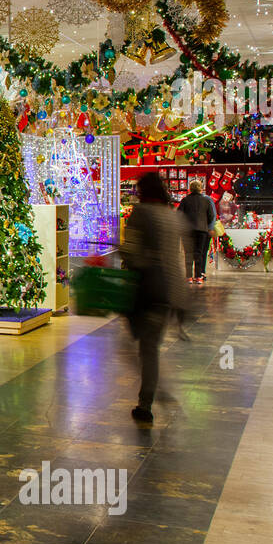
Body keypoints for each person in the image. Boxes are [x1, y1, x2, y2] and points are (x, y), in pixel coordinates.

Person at [122, 171, 187, 424]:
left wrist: (127, 258)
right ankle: (156, 390)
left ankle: (147, 401)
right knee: (149, 347)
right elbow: (178, 257)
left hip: (146, 290)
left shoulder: (141, 213)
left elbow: (133, 253)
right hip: (168, 292)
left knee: (143, 349)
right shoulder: (172, 216)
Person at [177, 179, 217, 283]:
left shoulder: (185, 200)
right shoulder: (206, 200)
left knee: (188, 253)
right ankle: (198, 276)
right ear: (201, 188)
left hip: (188, 231)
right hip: (202, 231)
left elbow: (179, 214)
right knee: (199, 253)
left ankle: (189, 277)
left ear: (190, 188)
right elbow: (211, 216)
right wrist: (206, 224)